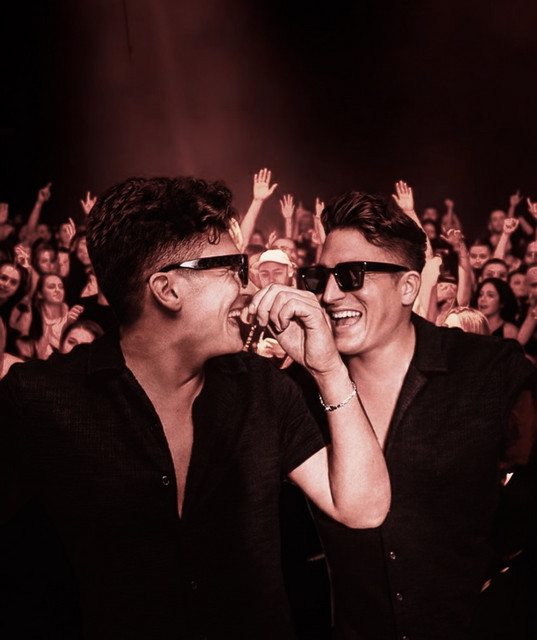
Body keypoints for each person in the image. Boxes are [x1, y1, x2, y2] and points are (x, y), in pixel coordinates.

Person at [0, 175, 390, 639]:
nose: (250, 287)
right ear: (167, 290)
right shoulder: (42, 399)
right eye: (234, 269)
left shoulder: (262, 389)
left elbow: (363, 508)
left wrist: (328, 369)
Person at [296, 190, 537, 640]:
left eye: (350, 275)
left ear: (408, 287)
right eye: (319, 276)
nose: (328, 294)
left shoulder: (489, 371)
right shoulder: (300, 387)